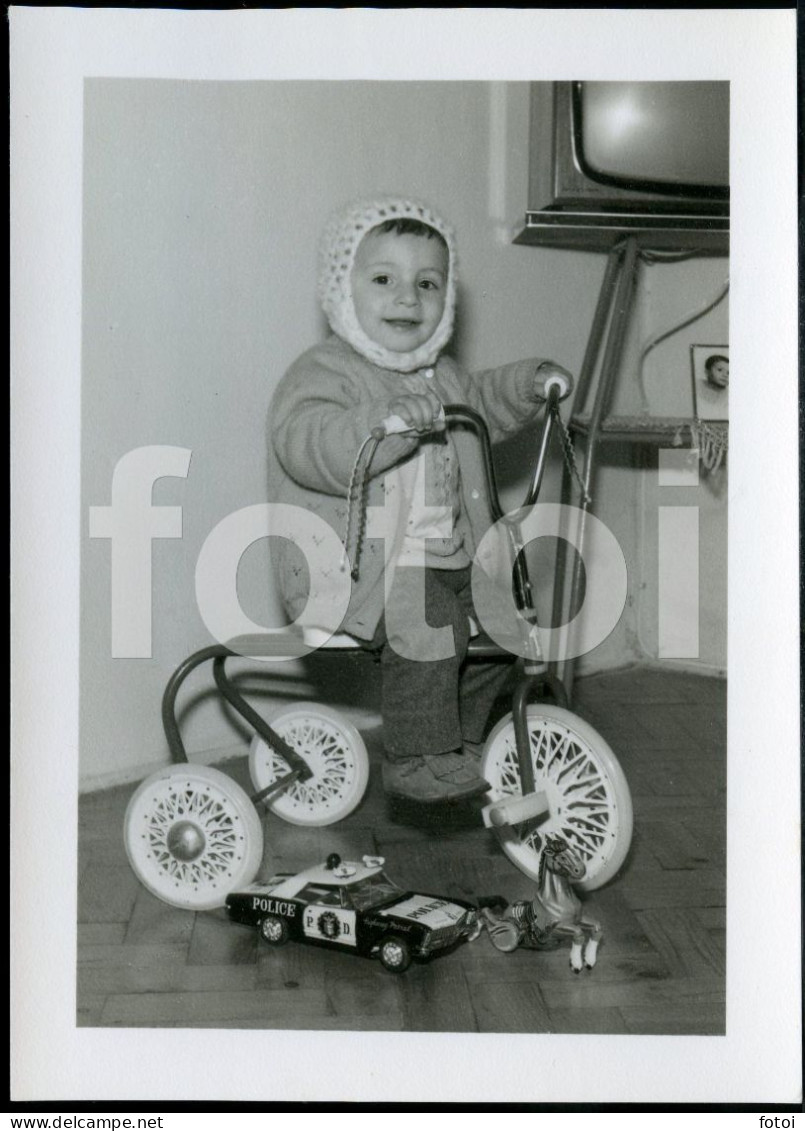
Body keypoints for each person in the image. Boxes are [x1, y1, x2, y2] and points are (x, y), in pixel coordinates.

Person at [268, 197, 573, 804]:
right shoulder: (324, 373)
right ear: (341, 290)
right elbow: (307, 440)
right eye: (384, 279)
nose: (408, 298)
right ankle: (416, 754)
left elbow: (483, 398)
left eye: (427, 283)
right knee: (429, 620)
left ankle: (456, 736)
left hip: (450, 557)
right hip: (356, 567)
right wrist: (380, 422)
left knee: (505, 627)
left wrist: (530, 382)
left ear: (447, 299)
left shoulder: (442, 374)